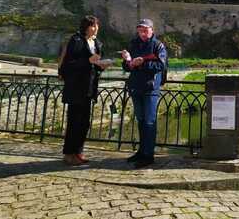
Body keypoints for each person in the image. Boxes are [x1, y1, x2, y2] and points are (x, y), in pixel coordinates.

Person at [60, 15, 110, 166]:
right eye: (92, 26)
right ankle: (69, 154)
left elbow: (93, 66)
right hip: (76, 88)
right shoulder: (76, 40)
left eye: (97, 25)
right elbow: (69, 64)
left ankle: (78, 152)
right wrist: (88, 61)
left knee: (84, 123)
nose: (95, 28)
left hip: (89, 88)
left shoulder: (96, 42)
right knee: (74, 122)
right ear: (85, 27)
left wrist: (100, 65)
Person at [121, 18, 167, 168]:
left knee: (149, 121)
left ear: (152, 30)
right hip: (136, 86)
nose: (142, 33)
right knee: (141, 120)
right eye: (140, 30)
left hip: (150, 88)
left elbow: (161, 65)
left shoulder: (158, 45)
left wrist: (142, 63)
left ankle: (148, 155)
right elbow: (127, 67)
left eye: (145, 30)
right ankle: (141, 151)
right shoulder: (134, 44)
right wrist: (128, 61)